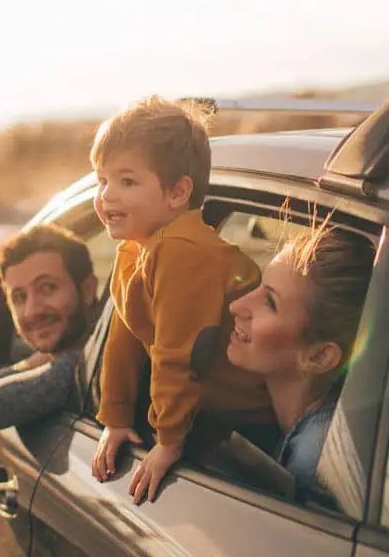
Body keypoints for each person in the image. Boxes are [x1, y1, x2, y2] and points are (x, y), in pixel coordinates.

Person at [88, 95, 275, 505]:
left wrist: (168, 441)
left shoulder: (181, 251)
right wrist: (116, 418)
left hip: (249, 423)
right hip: (211, 415)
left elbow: (178, 353)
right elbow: (124, 339)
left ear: (177, 193)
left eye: (127, 181)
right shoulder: (138, 249)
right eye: (102, 180)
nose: (107, 196)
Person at [226, 224, 375, 502]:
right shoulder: (322, 431)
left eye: (270, 303)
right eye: (258, 287)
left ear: (318, 356)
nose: (237, 306)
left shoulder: (313, 465)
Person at [0, 224, 100, 437]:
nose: (32, 311)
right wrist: (37, 361)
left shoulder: (81, 368)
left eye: (48, 287)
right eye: (20, 297)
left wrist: (34, 364)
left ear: (87, 289)